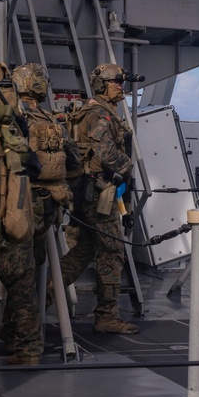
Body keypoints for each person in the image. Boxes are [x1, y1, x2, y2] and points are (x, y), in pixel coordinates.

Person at [0, 62, 81, 363]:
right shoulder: (52, 120)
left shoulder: (14, 118)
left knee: (19, 276)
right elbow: (75, 162)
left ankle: (29, 348)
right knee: (30, 272)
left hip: (19, 204)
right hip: (49, 205)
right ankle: (10, 333)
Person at [59, 63, 140, 334]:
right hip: (97, 193)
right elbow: (105, 154)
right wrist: (127, 166)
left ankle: (41, 299)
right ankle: (106, 315)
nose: (121, 86)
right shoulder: (99, 115)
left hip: (86, 190)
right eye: (116, 81)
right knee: (112, 252)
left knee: (83, 250)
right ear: (102, 85)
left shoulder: (94, 111)